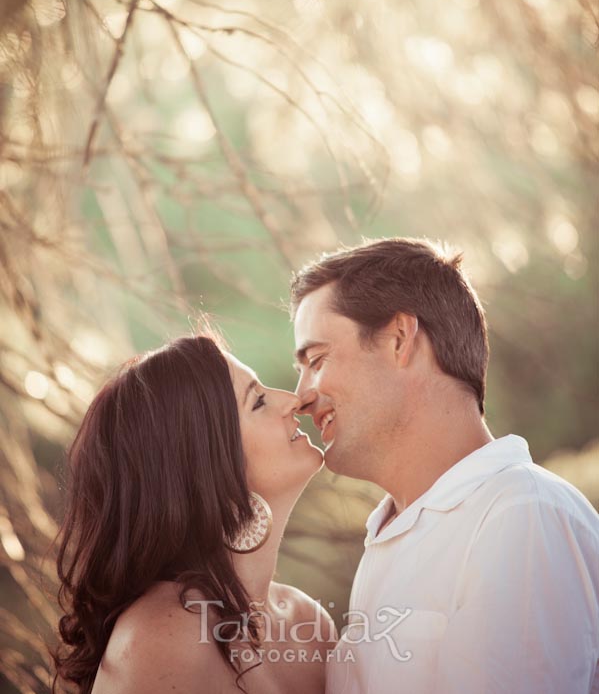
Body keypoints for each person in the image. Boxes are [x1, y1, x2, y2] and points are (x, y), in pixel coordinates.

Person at [291, 237, 599, 694]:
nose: (301, 395)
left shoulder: (521, 515)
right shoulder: (393, 539)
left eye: (316, 360)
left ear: (400, 339)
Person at [52, 334, 336, 694]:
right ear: (207, 465)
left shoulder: (309, 622)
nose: (293, 400)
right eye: (258, 401)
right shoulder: (159, 638)